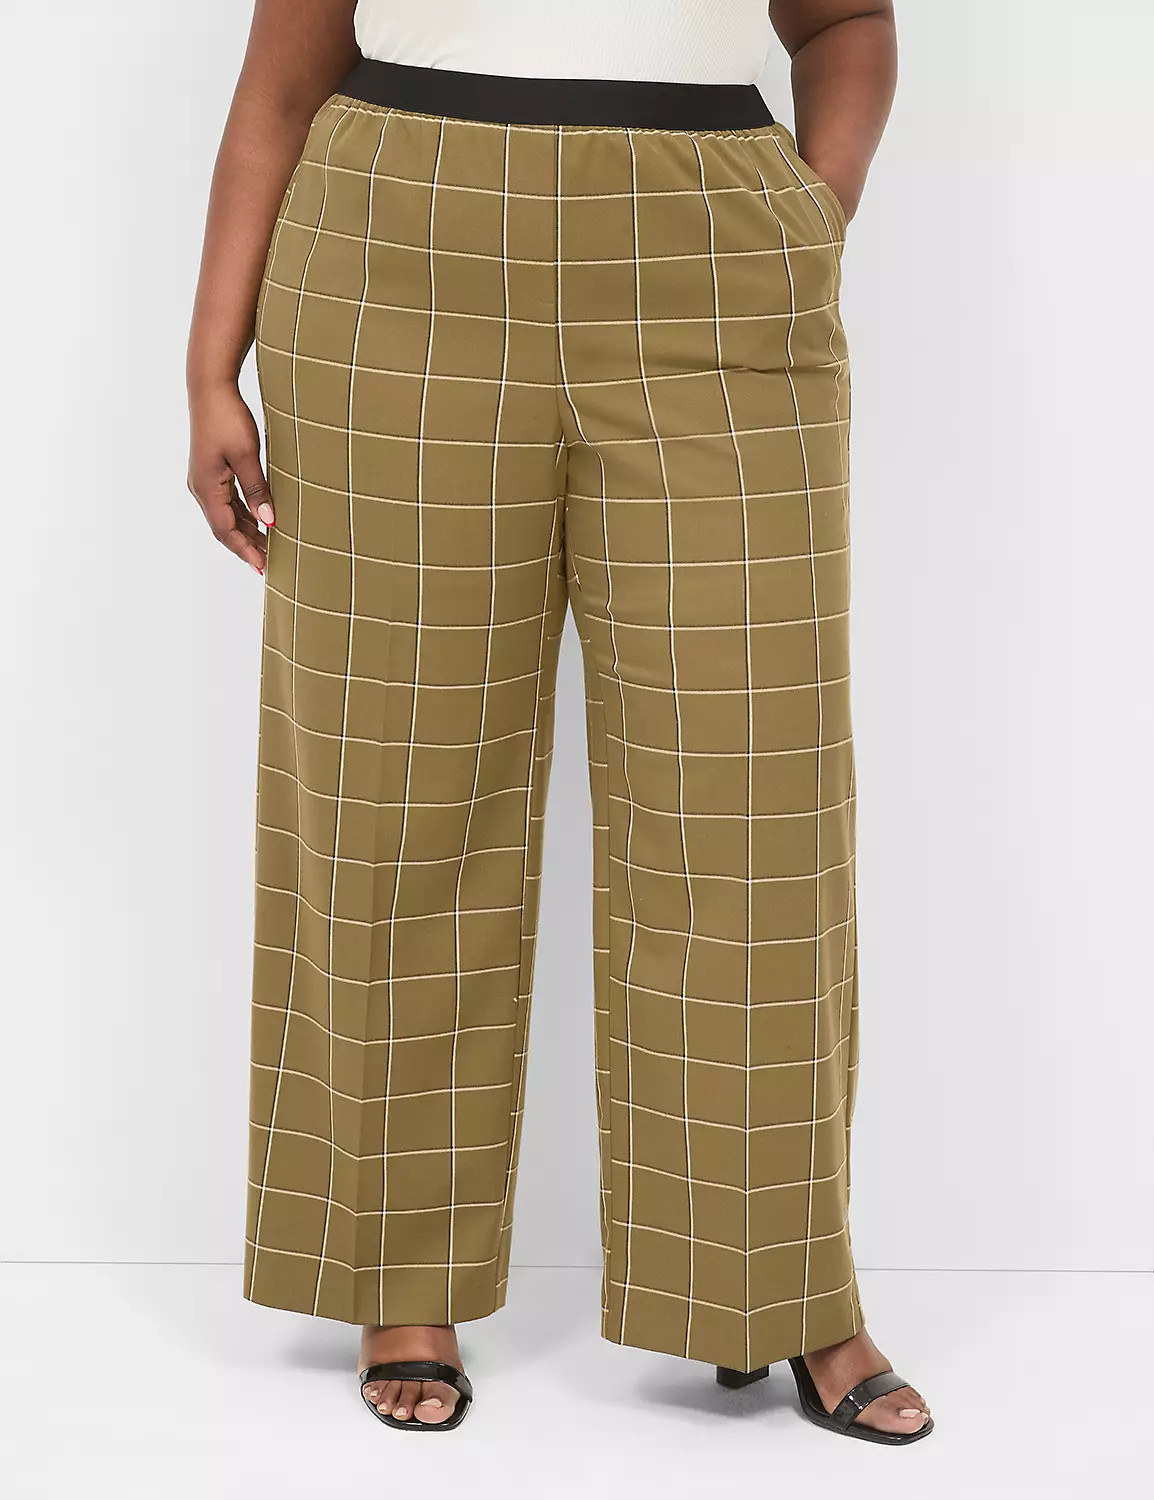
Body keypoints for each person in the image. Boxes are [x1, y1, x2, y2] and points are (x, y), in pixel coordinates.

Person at [187, 0, 932, 1443]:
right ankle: (398, 1275)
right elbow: (280, 84)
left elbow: (845, 21)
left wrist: (802, 223)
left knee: (749, 797)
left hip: (714, 256)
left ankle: (772, 1283)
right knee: (397, 785)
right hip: (397, 253)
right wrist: (211, 366)